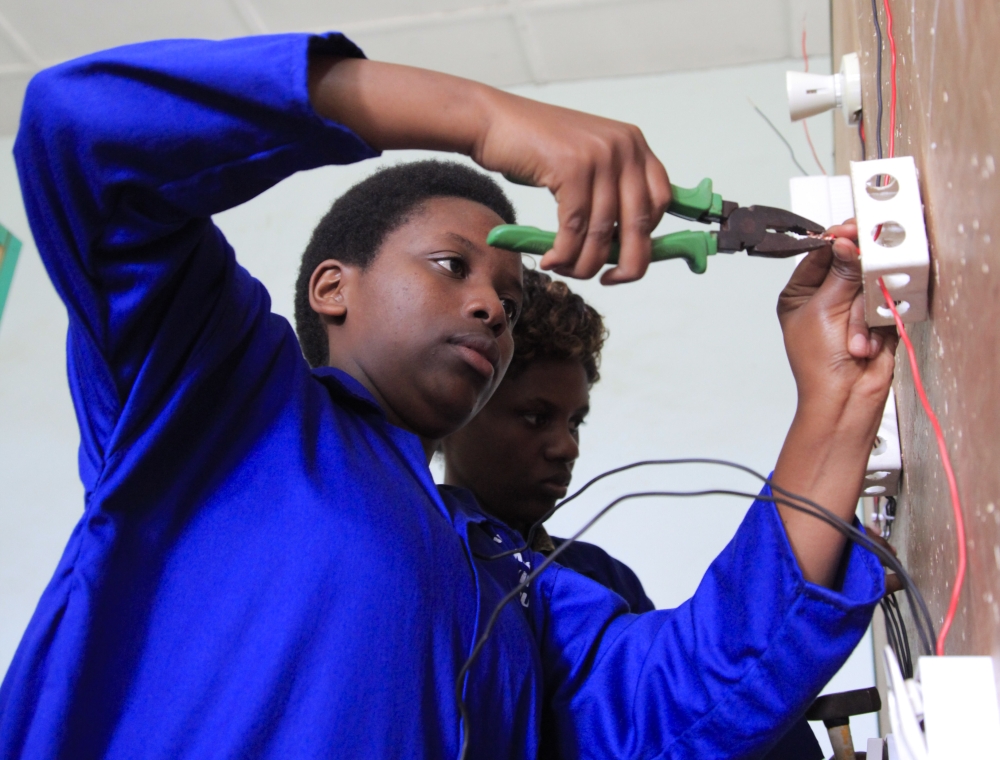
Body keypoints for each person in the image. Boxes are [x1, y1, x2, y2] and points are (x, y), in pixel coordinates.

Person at [0, 31, 894, 759]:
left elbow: (691, 693)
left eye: (506, 306)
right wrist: (480, 115)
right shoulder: (220, 400)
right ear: (331, 289)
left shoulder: (512, 579)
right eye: (450, 266)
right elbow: (83, 129)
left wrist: (836, 398)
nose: (489, 309)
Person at [442, 268, 825, 759]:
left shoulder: (599, 576)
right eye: (536, 417)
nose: (565, 446)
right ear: (462, 410)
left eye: (575, 421)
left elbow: (688, 707)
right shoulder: (427, 567)